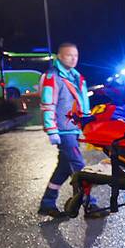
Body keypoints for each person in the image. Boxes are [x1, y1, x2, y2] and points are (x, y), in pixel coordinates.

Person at [37, 43, 95, 218]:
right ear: (59, 57)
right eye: (69, 55)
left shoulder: (76, 77)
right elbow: (48, 105)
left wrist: (87, 124)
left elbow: (83, 104)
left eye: (76, 55)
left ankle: (47, 203)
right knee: (79, 166)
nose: (73, 58)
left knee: (63, 168)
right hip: (63, 131)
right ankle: (90, 204)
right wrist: (51, 129)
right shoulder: (52, 77)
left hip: (73, 129)